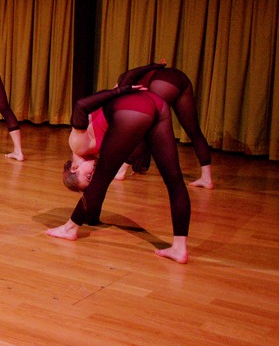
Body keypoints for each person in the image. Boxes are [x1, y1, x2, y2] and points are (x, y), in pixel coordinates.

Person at [45, 85, 191, 264]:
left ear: (74, 168)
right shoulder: (96, 149)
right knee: (175, 180)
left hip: (133, 107)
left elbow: (81, 105)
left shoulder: (78, 144)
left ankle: (69, 228)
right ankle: (179, 247)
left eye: (88, 177)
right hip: (157, 103)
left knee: (102, 179)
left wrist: (121, 90)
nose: (92, 174)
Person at [113, 61, 213, 189]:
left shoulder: (122, 83)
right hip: (180, 78)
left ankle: (121, 171)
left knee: (146, 130)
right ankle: (207, 178)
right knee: (194, 131)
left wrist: (154, 65)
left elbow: (132, 73)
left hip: (163, 82)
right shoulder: (128, 92)